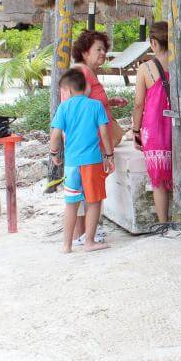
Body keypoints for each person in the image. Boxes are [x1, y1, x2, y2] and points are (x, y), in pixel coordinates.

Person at [63, 30, 124, 243]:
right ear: (84, 52)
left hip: (85, 144)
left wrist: (111, 102)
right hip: (88, 144)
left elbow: (86, 104)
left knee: (82, 191)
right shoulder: (82, 72)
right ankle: (86, 236)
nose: (103, 53)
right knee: (90, 191)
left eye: (104, 49)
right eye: (98, 49)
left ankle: (83, 234)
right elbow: (71, 108)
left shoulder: (86, 72)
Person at [51, 68, 115, 253]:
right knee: (93, 202)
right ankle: (89, 241)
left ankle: (66, 245)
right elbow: (104, 132)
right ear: (85, 87)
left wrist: (55, 153)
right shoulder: (96, 106)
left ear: (69, 90)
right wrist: (109, 156)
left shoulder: (64, 107)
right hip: (92, 163)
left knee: (71, 204)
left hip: (71, 164)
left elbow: (55, 135)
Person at [131, 22, 175, 223]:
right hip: (178, 129)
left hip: (154, 130)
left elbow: (139, 104)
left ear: (154, 43)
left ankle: (164, 223)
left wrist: (135, 130)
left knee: (158, 181)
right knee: (179, 172)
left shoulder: (145, 69)